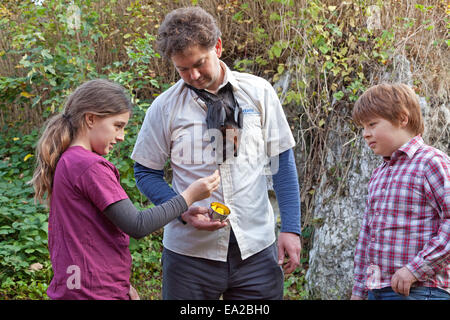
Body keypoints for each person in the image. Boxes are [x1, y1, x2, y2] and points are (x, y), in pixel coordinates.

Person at [131, 7, 302, 300]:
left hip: (256, 250)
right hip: (189, 254)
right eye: (183, 69)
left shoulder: (258, 92)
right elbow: (146, 172)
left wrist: (291, 228)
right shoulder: (164, 107)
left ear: (218, 47)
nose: (194, 75)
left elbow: (282, 163)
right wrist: (181, 209)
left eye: (199, 63)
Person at [31, 79, 220, 300]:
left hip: (84, 286)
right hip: (93, 292)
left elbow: (90, 234)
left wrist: (117, 284)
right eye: (117, 126)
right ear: (90, 119)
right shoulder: (89, 166)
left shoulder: (68, 160)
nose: (121, 137)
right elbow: (137, 225)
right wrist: (189, 196)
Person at [350, 83, 450, 300]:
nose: (366, 134)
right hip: (376, 290)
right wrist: (359, 291)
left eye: (372, 124)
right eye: (363, 128)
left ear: (402, 119)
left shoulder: (431, 162)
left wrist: (415, 269)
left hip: (421, 290)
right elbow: (367, 235)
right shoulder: (379, 174)